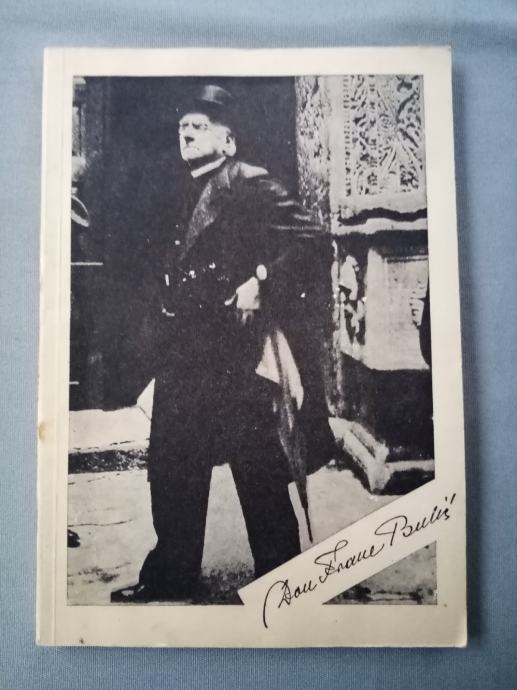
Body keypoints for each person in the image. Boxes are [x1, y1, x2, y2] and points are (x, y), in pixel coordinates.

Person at [111, 84, 334, 603]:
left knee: (257, 471)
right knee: (173, 467)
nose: (187, 132)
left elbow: (313, 240)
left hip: (236, 355)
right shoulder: (181, 187)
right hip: (184, 353)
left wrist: (262, 281)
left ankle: (283, 582)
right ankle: (171, 575)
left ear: (228, 141)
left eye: (200, 125)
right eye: (183, 126)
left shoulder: (248, 182)